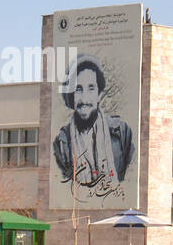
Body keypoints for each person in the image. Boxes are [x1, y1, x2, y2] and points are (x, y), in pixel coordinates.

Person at [52, 55, 135, 199]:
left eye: (91, 88)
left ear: (99, 94)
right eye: (78, 89)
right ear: (71, 96)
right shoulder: (61, 143)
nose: (84, 99)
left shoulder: (121, 132)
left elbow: (130, 174)